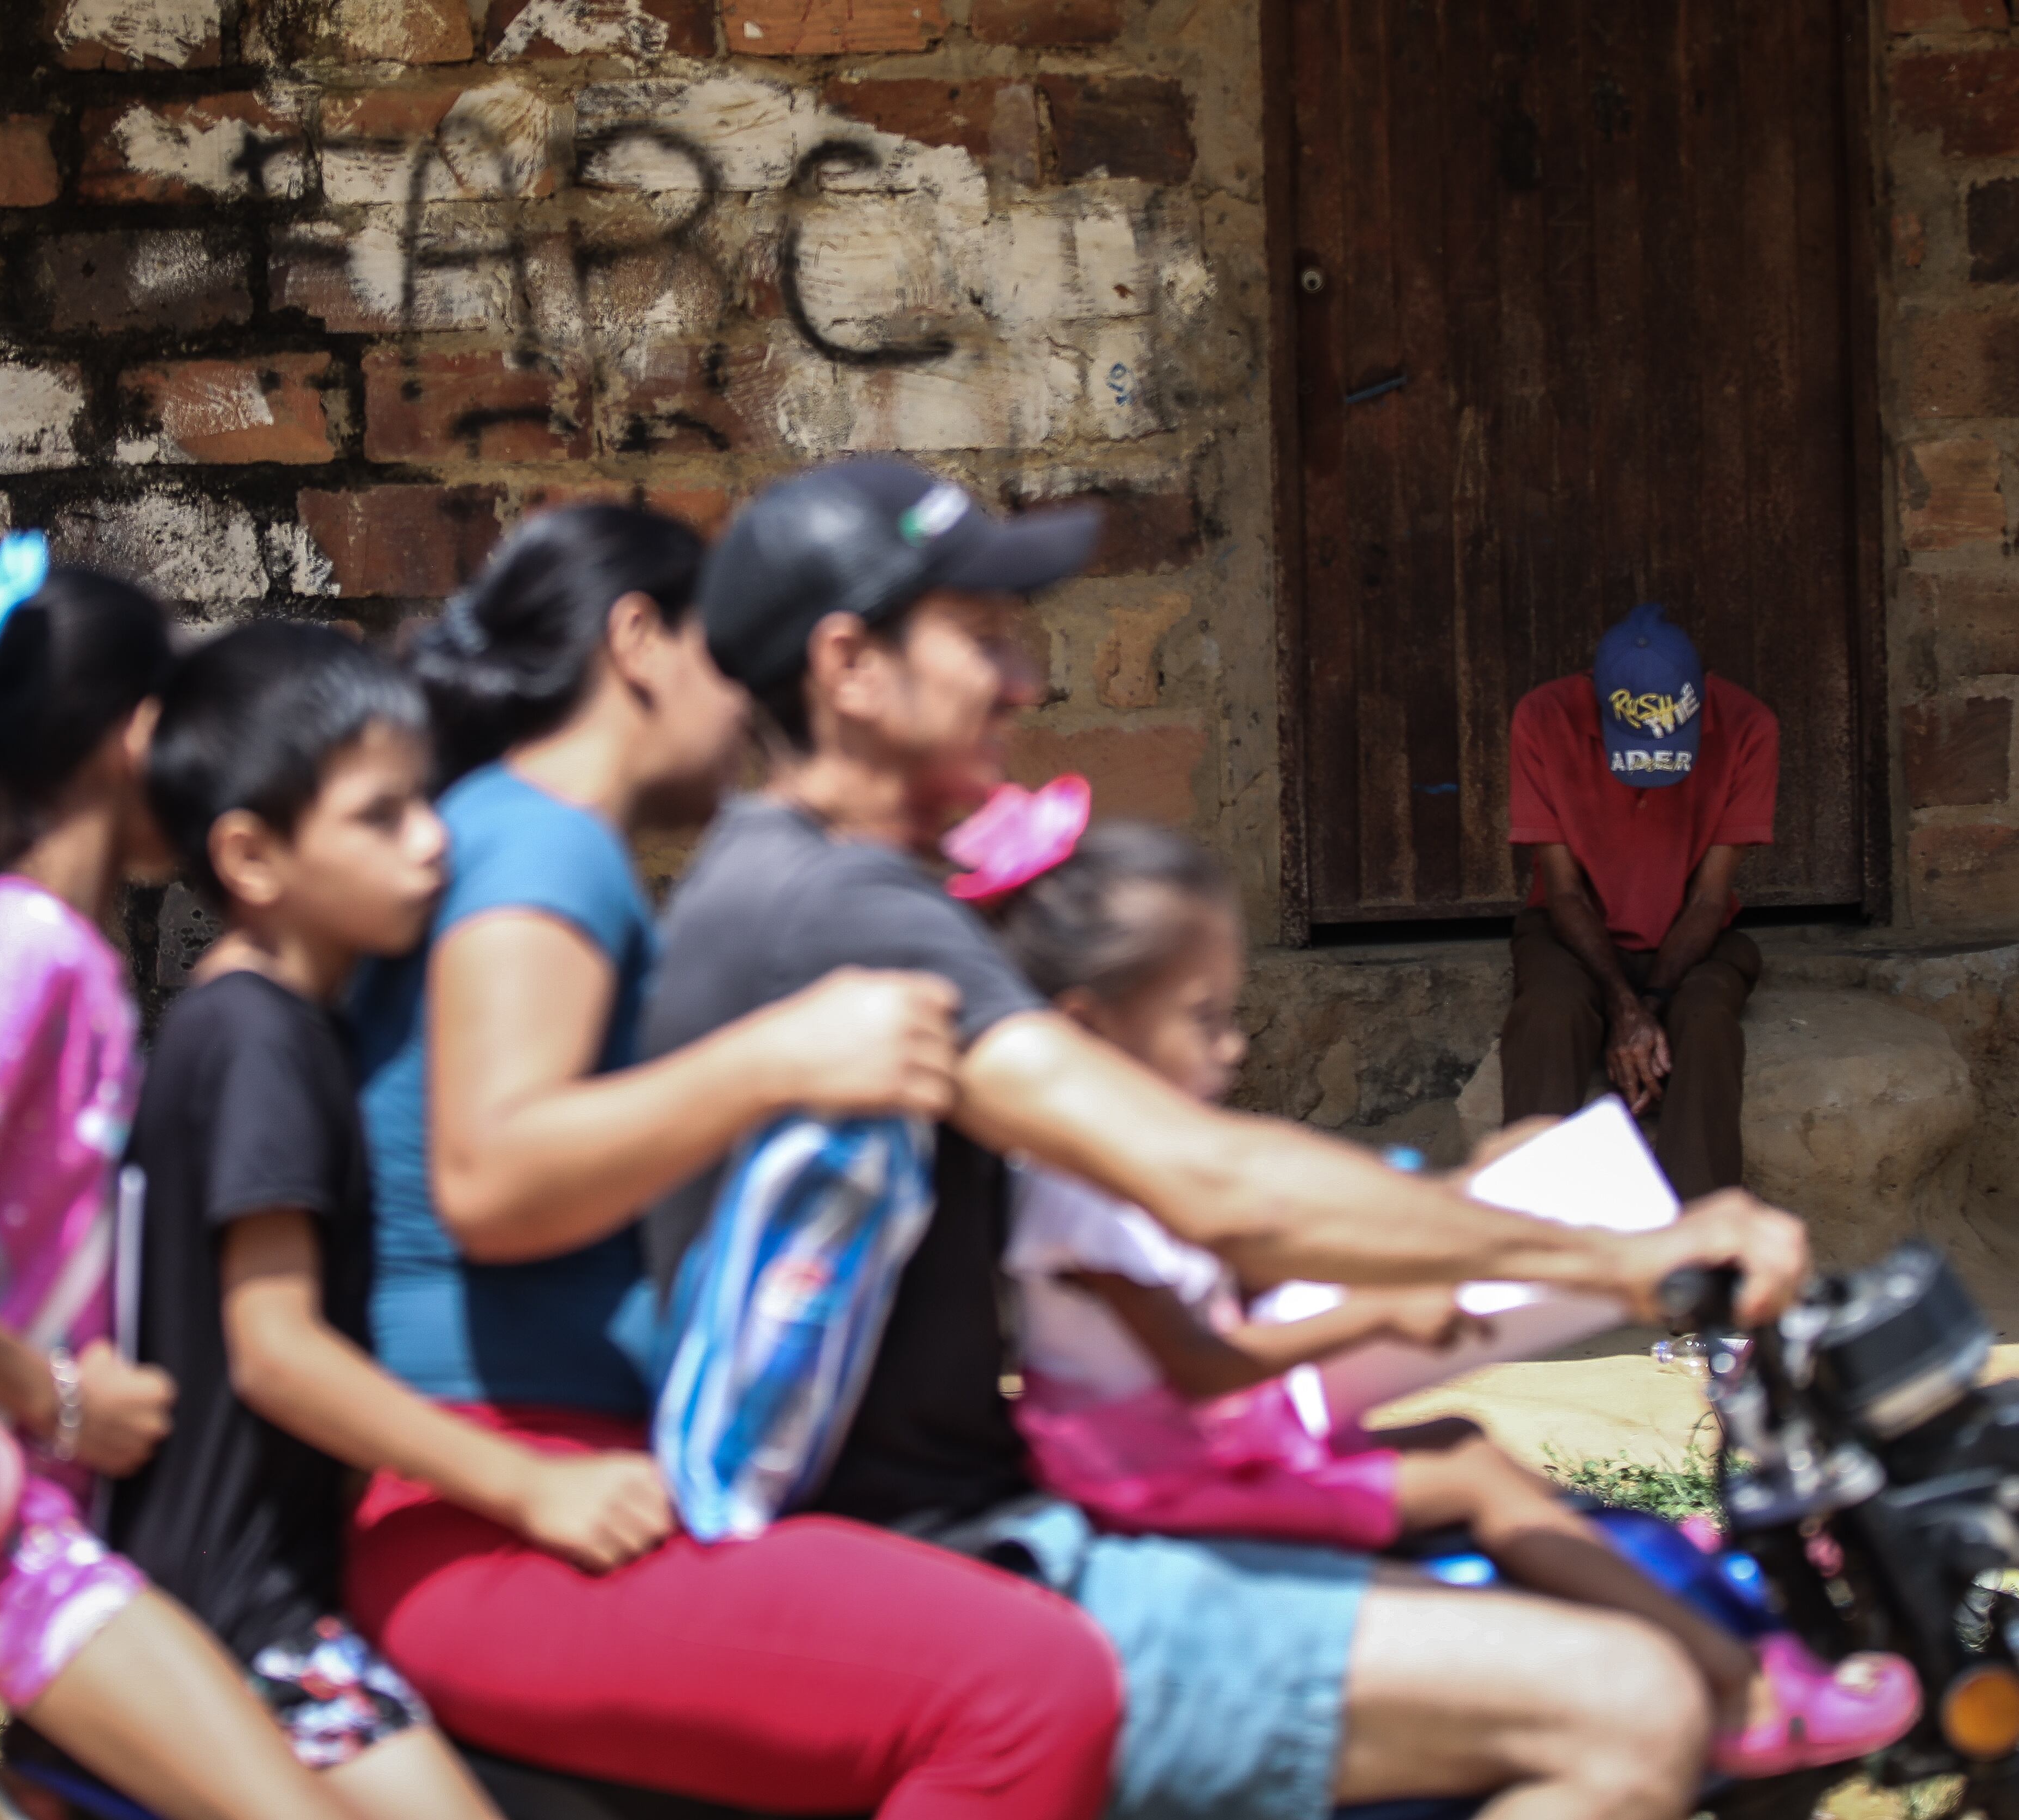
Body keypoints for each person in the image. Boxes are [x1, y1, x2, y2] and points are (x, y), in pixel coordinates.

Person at [639, 458, 1816, 1820]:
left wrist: (1455, 1217)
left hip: (971, 1511)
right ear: (848, 665)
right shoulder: (844, 912)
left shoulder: (809, 889)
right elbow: (1204, 1179)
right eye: (982, 637)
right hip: (949, 1559)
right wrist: (1623, 1256)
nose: (1024, 680)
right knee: (1632, 1703)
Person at [340, 504, 1124, 1818]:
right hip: (493, 1485)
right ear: (640, 640)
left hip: (550, 1466)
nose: (750, 711)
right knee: (1028, 1682)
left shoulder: (521, 834)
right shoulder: (543, 842)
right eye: (728, 658)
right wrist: (775, 1057)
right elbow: (491, 1175)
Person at [979, 813, 1918, 1781]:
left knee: (1457, 1450)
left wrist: (1465, 1193)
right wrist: (1379, 1313)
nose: (1231, 1044)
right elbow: (1201, 1360)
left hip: (1182, 1441)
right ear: (1091, 1026)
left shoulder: (1131, 1158)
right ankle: (1743, 1689)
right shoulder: (1078, 1193)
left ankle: (1662, 1586)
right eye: (1201, 1016)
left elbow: (1261, 1254)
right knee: (1468, 1465)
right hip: (1166, 1467)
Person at [0, 557, 369, 1820]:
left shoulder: (68, 952)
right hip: (8, 1534)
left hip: (42, 1516)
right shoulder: (25, 946)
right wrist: (57, 1395)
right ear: (131, 734)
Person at [110, 621, 532, 1820]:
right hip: (244, 1614)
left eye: (427, 802)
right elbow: (278, 1349)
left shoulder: (241, 1013)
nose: (433, 840)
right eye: (382, 816)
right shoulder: (263, 1040)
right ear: (250, 852)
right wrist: (526, 1484)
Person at [1501, 602, 1779, 1198]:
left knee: (1704, 1022)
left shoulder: (1749, 725)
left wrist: (1649, 1004)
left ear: (1697, 702)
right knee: (1549, 1013)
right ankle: (1528, 1232)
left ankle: (1694, 1246)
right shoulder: (1543, 717)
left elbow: (1709, 899)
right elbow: (1564, 890)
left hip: (1694, 934)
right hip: (1569, 928)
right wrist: (1622, 1005)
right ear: (1599, 703)